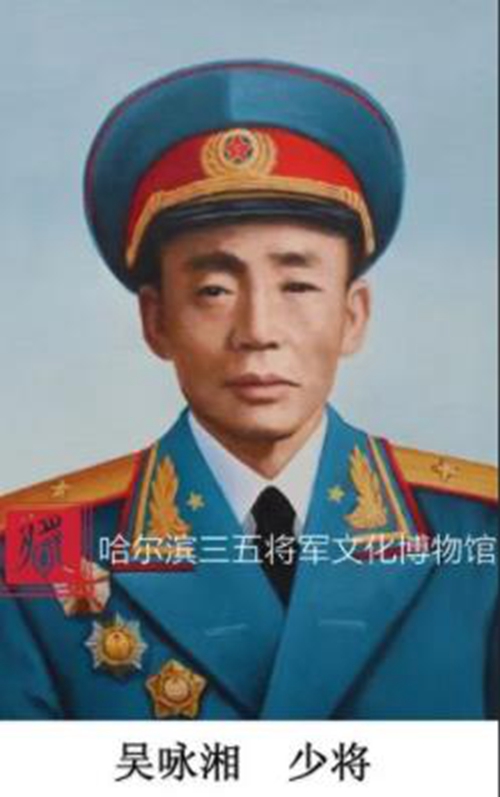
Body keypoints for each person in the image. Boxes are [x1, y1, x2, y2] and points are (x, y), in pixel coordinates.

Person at [0, 60, 497, 720]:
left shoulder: (475, 532)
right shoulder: (37, 547)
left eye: (298, 286)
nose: (258, 331)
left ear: (353, 316)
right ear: (156, 321)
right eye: (214, 290)